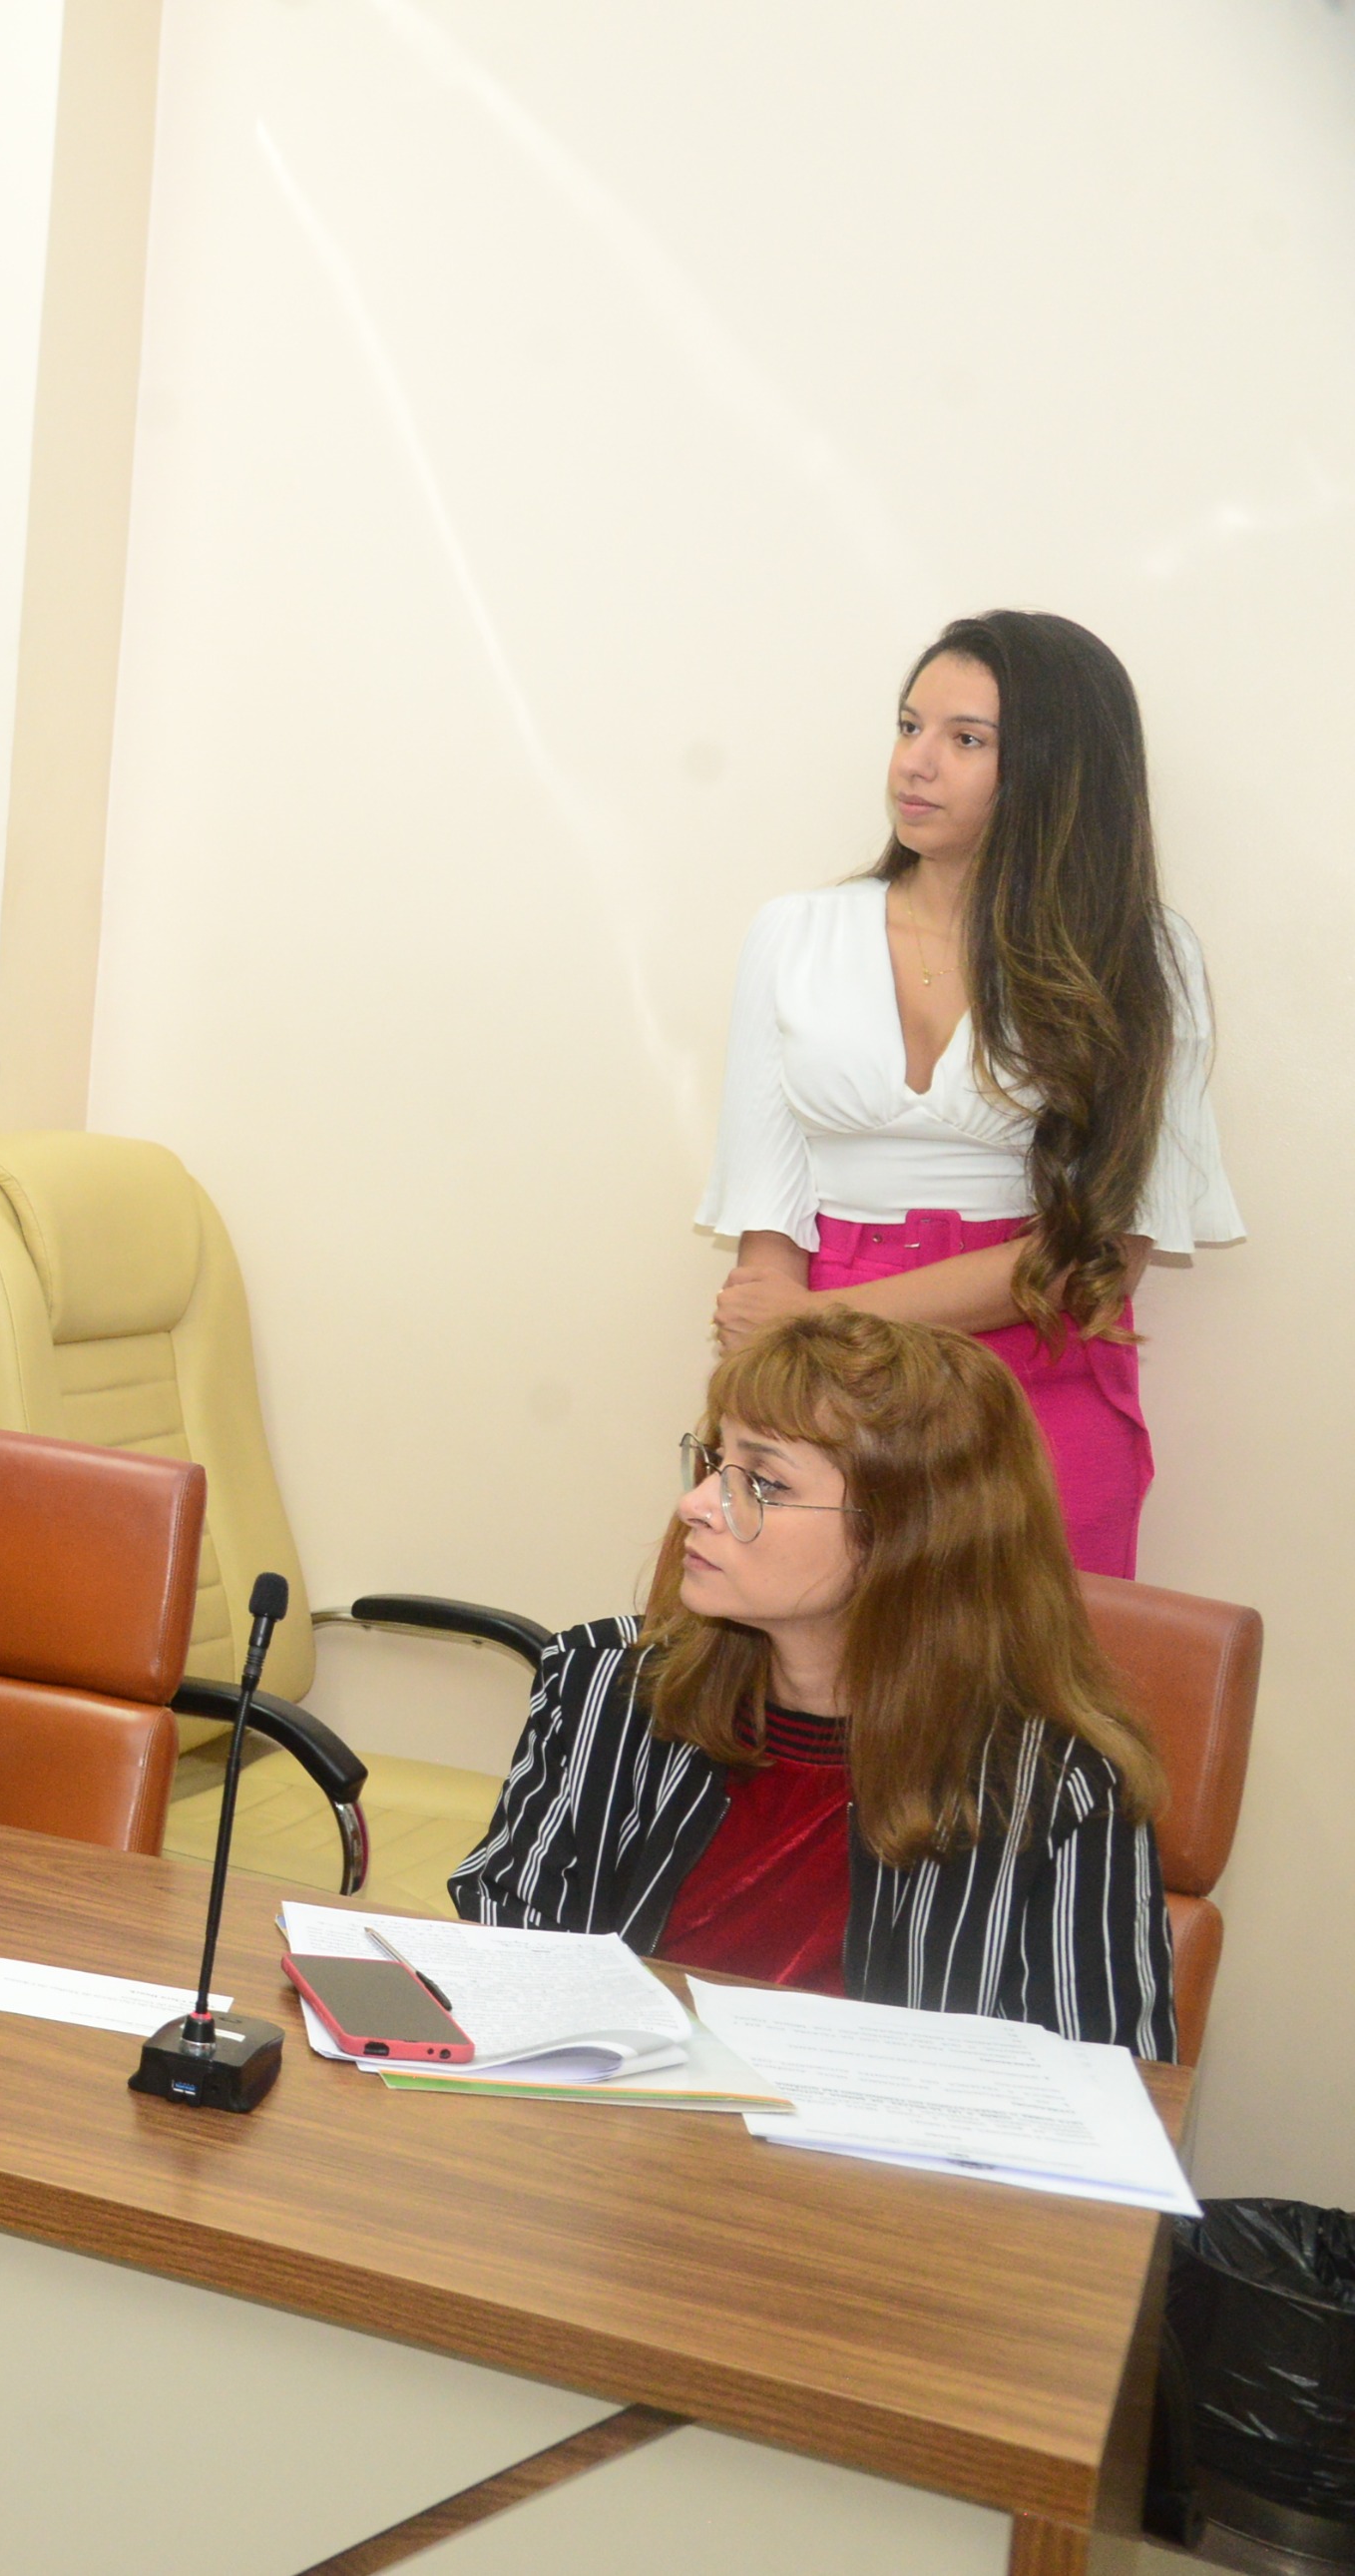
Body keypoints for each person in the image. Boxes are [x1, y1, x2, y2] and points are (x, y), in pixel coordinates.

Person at [451, 1309, 1173, 2057]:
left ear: (908, 1534)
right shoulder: (603, 1685)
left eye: (763, 1482)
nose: (695, 1505)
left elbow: (1107, 2087)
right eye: (714, 1462)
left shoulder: (1057, 1784)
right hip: (604, 2127)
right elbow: (500, 1963)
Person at [699, 611, 1238, 1578]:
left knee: (1032, 1664)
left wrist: (824, 1319)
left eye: (965, 740)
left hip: (1032, 1358)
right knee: (816, 1651)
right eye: (909, 726)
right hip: (826, 1375)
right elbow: (765, 1219)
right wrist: (784, 1348)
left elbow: (1099, 1258)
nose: (914, 763)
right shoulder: (794, 934)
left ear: (1054, 770)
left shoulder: (1143, 955)